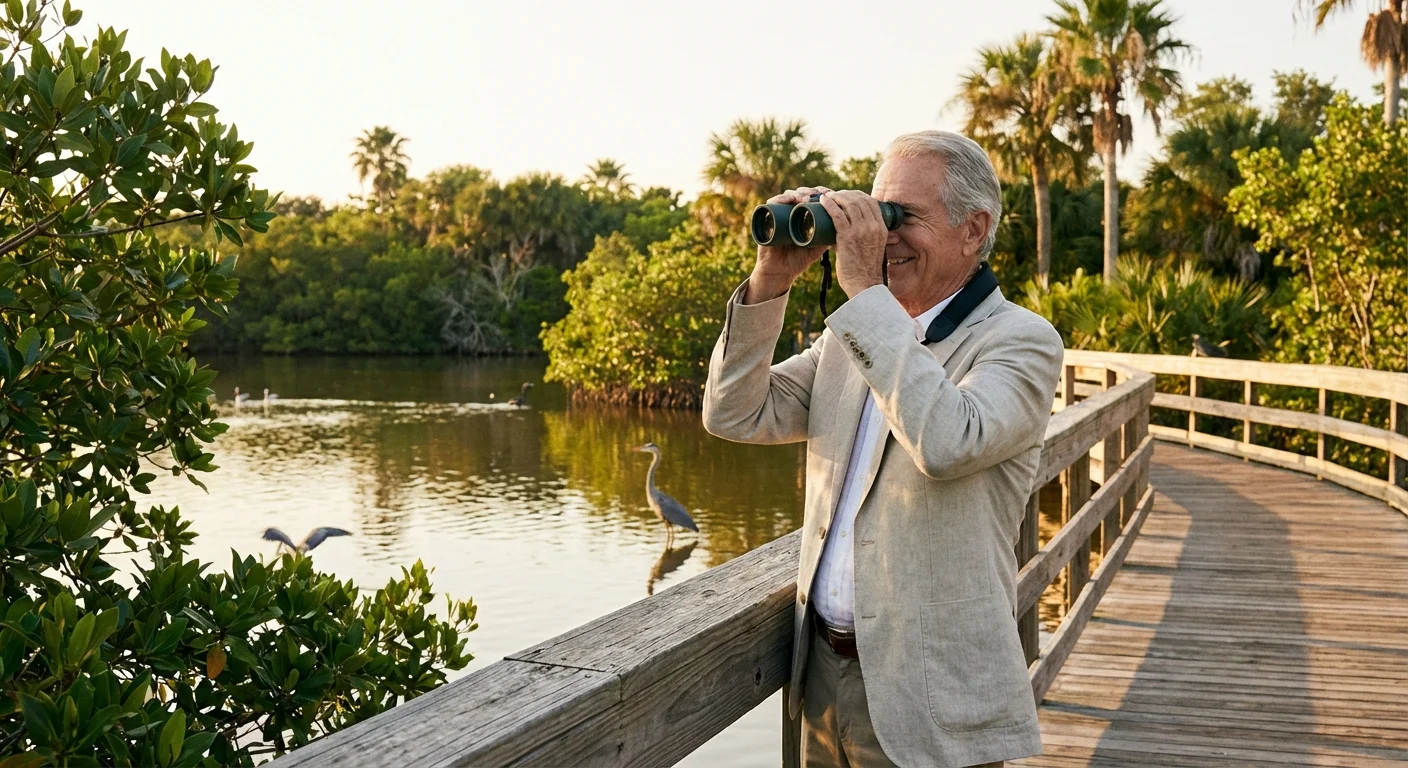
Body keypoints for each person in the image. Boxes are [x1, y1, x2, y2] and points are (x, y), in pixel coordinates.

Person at [702, 130, 1062, 767]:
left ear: (974, 229)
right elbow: (734, 412)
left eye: (902, 218)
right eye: (874, 212)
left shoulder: (1019, 341)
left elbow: (948, 441)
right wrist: (770, 279)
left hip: (930, 698)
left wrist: (866, 295)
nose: (882, 234)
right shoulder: (851, 341)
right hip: (819, 676)